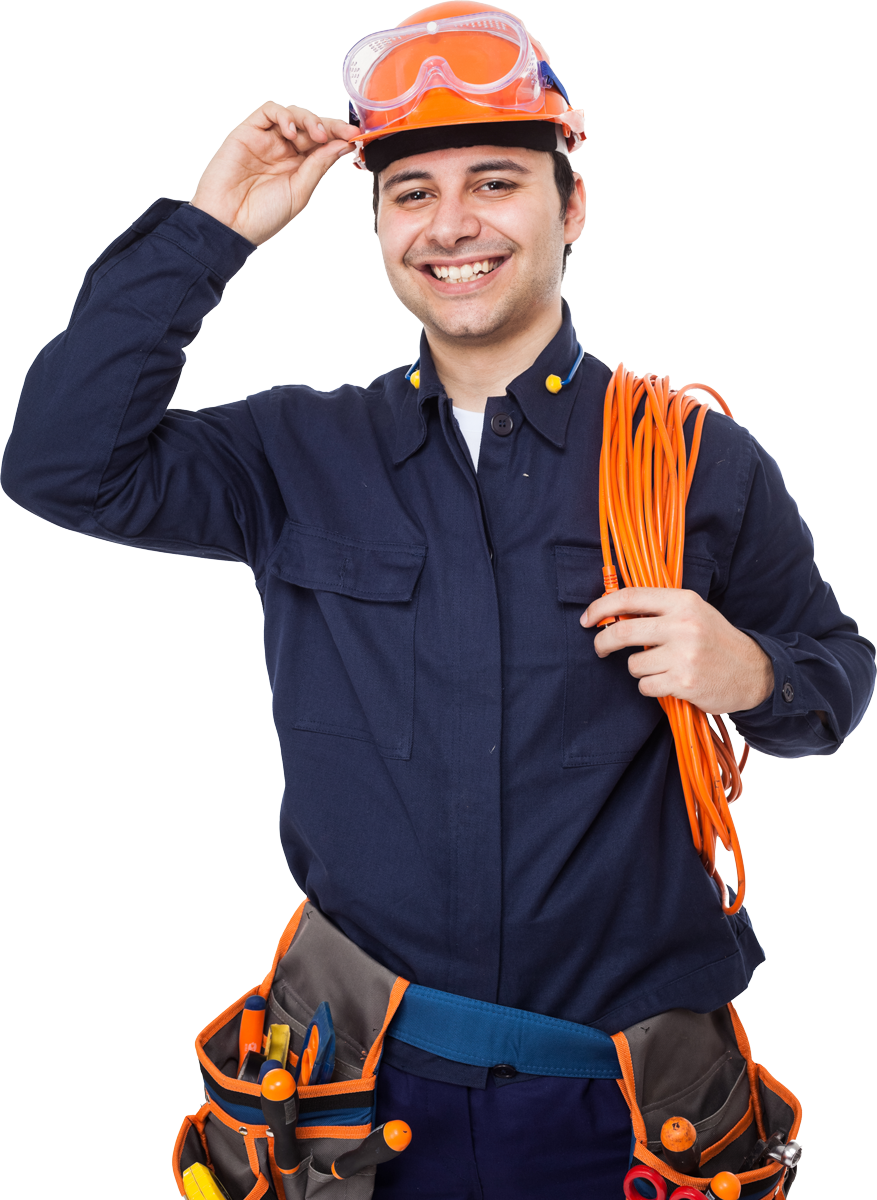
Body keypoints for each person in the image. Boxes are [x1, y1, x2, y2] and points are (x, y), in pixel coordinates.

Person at [2, 3, 874, 1196]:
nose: (451, 225)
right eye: (410, 194)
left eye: (496, 182)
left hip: (622, 1107)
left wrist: (757, 675)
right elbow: (60, 463)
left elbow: (834, 676)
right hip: (353, 1093)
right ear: (374, 228)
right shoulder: (291, 455)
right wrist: (213, 227)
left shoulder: (696, 461)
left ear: (570, 210)